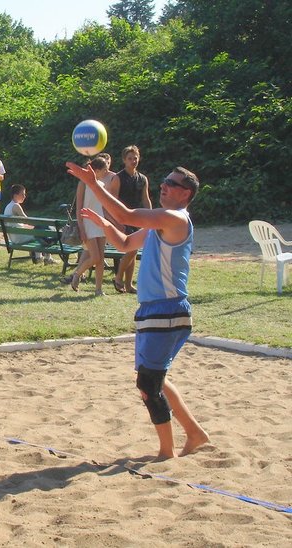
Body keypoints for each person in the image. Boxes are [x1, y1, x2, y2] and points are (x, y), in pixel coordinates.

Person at [66, 160, 209, 460]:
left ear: (185, 195)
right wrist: (105, 226)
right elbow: (126, 242)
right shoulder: (159, 225)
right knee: (156, 379)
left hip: (168, 312)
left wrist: (94, 184)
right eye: (164, 181)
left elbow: (127, 214)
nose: (164, 186)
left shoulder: (176, 219)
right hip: (153, 312)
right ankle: (194, 433)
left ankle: (166, 452)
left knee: (148, 383)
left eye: (172, 184)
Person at [108, 145, 151, 294]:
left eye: (135, 158)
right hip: (123, 217)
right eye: (130, 158)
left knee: (133, 251)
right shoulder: (118, 178)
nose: (133, 161)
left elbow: (146, 200)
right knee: (132, 249)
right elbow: (111, 200)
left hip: (139, 218)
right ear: (124, 160)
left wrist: (151, 218)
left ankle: (128, 284)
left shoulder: (143, 179)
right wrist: (116, 221)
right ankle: (118, 277)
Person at [70, 156, 109, 296]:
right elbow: (79, 208)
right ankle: (77, 274)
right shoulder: (83, 183)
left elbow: (104, 207)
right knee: (95, 257)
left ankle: (98, 289)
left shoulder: (103, 185)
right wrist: (81, 228)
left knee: (101, 258)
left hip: (100, 222)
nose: (107, 172)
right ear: (96, 170)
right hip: (87, 223)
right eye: (105, 169)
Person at [4, 184, 56, 265]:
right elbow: (27, 220)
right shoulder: (16, 206)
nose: (24, 196)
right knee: (43, 234)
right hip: (19, 238)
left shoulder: (8, 206)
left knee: (38, 232)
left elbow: (19, 223)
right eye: (22, 194)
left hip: (14, 237)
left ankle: (39, 257)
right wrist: (39, 225)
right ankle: (47, 258)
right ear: (15, 195)